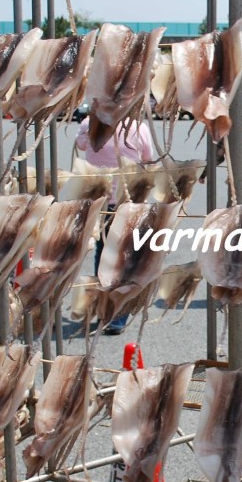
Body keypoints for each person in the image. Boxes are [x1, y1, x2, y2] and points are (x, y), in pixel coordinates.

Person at [75, 117, 158, 335]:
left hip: (99, 200)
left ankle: (103, 310)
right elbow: (148, 158)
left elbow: (80, 144)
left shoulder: (89, 123)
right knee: (124, 257)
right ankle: (117, 316)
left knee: (103, 255)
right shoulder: (139, 127)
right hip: (129, 200)